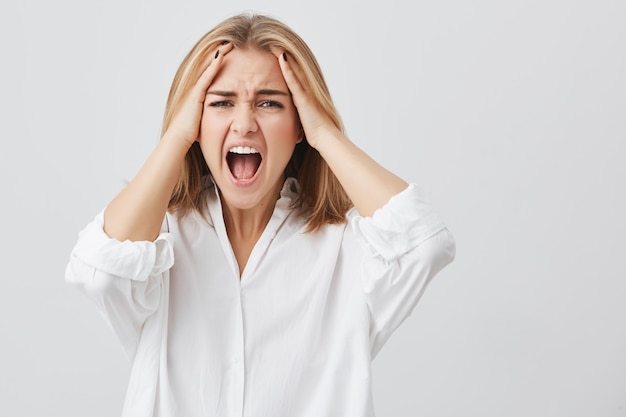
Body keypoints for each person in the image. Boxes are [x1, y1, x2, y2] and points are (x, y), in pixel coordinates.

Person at [65, 12, 456, 417]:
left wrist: (324, 133)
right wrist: (177, 136)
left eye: (270, 102)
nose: (244, 124)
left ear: (298, 121)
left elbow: (425, 244)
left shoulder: (346, 251)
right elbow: (100, 272)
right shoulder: (157, 243)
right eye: (221, 102)